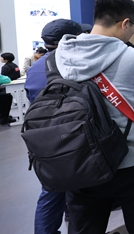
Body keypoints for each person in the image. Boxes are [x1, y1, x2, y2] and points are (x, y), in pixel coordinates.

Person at [54, 0, 134, 234]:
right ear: (125, 23)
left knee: (85, 226)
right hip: (129, 159)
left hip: (79, 158)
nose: (133, 33)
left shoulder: (61, 54)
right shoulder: (133, 56)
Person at [24, 19, 83, 234]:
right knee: (83, 191)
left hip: (41, 138)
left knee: (50, 191)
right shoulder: (72, 64)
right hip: (72, 136)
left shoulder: (35, 68)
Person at [0, 52, 21, 125]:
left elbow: (4, 78)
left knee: (6, 95)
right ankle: (4, 117)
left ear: (5, 59)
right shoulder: (15, 65)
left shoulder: (5, 67)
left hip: (7, 85)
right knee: (7, 96)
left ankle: (4, 116)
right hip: (13, 84)